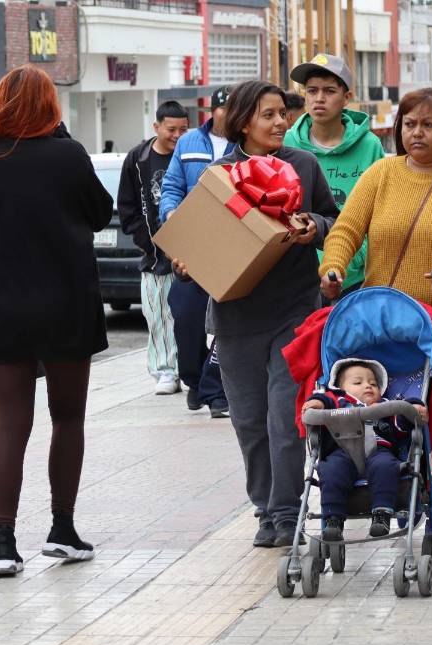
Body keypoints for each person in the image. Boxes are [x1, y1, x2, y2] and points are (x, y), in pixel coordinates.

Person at [320, 88, 432, 535]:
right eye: (410, 124)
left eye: (429, 125)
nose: (417, 133)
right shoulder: (381, 174)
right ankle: (396, 492)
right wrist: (333, 267)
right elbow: (346, 228)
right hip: (388, 323)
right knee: (390, 411)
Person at [173, 80, 340, 548]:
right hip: (235, 319)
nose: (281, 122)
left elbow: (333, 219)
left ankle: (286, 514)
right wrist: (186, 264)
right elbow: (197, 244)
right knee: (248, 421)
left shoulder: (302, 165)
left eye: (282, 114)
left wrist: (313, 227)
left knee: (285, 420)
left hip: (294, 312)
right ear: (244, 122)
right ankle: (265, 510)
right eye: (269, 115)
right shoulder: (220, 176)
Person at [0, 66, 112, 577]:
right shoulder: (68, 155)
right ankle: (62, 529)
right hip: (65, 303)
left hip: (1, 306)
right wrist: (62, 140)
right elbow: (100, 211)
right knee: (67, 418)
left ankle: (3, 545)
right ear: (50, 107)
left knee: (10, 424)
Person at [160, 85, 233, 417]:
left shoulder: (244, 146)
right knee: (185, 314)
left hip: (231, 246)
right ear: (212, 111)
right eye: (223, 108)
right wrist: (171, 215)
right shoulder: (188, 143)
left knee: (226, 321)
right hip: (192, 245)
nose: (228, 115)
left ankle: (215, 392)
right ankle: (195, 379)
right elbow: (172, 186)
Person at [285, 54, 386, 293]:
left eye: (329, 91)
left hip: (352, 278)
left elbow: (380, 213)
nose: (319, 98)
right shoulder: (287, 143)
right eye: (312, 91)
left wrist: (356, 260)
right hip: (298, 278)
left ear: (346, 97)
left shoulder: (370, 146)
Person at [302, 360, 426, 541]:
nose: (368, 386)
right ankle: (332, 518)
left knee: (386, 466)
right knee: (330, 469)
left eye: (373, 383)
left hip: (379, 450)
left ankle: (382, 513)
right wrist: (316, 403)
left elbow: (403, 418)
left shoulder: (386, 406)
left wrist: (414, 407)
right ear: (339, 388)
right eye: (358, 382)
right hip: (342, 450)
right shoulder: (338, 402)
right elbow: (323, 400)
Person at [118, 100, 189, 396]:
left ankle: (190, 369)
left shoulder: (189, 154)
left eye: (183, 129)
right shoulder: (138, 158)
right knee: (158, 315)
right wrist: (148, 243)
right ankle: (165, 370)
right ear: (156, 126)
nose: (177, 135)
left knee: (189, 316)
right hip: (154, 256)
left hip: (192, 252)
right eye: (171, 129)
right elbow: (128, 208)